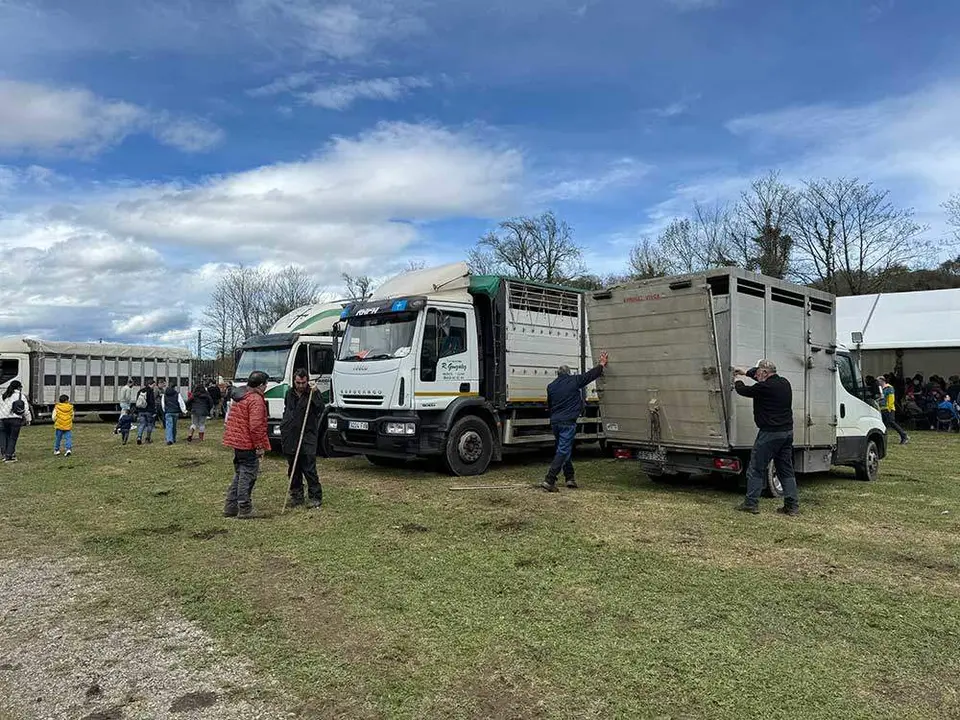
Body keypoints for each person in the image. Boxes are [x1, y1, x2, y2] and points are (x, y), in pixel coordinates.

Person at [733, 360, 799, 516]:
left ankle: (751, 504)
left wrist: (737, 381)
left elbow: (744, 390)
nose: (756, 375)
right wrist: (745, 372)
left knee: (756, 468)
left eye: (758, 373)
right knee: (785, 469)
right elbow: (761, 381)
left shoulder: (764, 387)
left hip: (770, 433)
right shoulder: (784, 383)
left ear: (765, 373)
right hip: (787, 433)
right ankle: (792, 506)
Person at [541, 351, 608, 492]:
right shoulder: (574, 381)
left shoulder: (551, 386)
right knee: (563, 450)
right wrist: (601, 365)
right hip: (567, 422)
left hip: (555, 422)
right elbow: (589, 376)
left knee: (563, 450)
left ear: (558, 374)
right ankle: (550, 479)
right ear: (568, 373)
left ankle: (570, 477)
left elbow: (549, 405)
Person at [222, 371, 271, 519]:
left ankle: (230, 506)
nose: (266, 387)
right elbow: (256, 426)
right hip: (247, 443)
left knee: (239, 475)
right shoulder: (255, 400)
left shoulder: (240, 396)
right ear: (261, 385)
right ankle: (244, 508)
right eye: (265, 384)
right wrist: (260, 446)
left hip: (237, 442)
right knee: (247, 476)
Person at [280, 368, 324, 509]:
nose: (300, 385)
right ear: (294, 381)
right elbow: (287, 409)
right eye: (298, 382)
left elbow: (320, 409)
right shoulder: (289, 393)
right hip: (291, 435)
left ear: (307, 381)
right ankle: (297, 495)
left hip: (307, 435)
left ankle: (315, 496)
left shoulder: (312, 393)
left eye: (303, 382)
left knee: (309, 468)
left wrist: (316, 393)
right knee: (293, 468)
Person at [0, 380, 32, 462]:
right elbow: (25, 410)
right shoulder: (20, 396)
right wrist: (28, 419)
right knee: (13, 438)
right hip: (15, 419)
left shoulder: (3, 395)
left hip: (3, 419)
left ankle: (4, 454)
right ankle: (9, 456)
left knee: (5, 437)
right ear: (19, 387)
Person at [878, 375, 908, 445]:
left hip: (888, 408)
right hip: (882, 408)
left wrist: (890, 407)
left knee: (892, 423)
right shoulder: (880, 389)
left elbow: (891, 398)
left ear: (882, 381)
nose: (877, 383)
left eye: (878, 381)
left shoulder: (889, 388)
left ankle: (904, 435)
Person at [162, 380, 187, 445]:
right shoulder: (177, 394)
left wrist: (164, 410)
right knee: (174, 426)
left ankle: (169, 439)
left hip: (168, 412)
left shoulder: (164, 394)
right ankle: (173, 438)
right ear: (174, 387)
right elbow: (181, 403)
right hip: (175, 412)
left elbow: (163, 404)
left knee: (169, 426)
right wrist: (184, 411)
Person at [136, 379, 157, 445]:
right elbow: (152, 402)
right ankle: (148, 438)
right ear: (150, 384)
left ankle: (139, 437)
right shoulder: (150, 391)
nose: (154, 386)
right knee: (149, 424)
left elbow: (137, 401)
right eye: (153, 385)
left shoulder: (140, 391)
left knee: (142, 424)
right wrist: (154, 411)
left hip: (141, 410)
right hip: (149, 411)